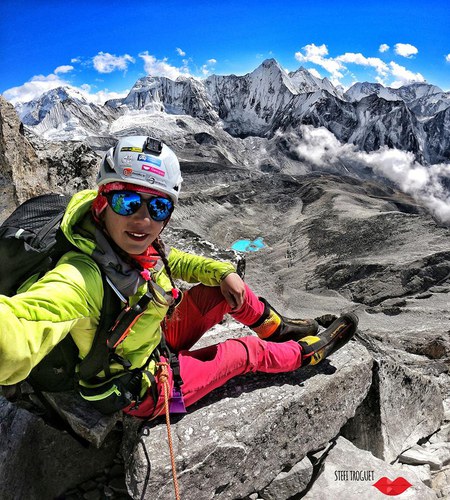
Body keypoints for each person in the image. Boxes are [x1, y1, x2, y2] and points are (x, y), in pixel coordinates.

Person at [0, 135, 358, 419]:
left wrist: (222, 272)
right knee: (242, 352)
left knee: (223, 292)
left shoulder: (118, 240)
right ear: (101, 201)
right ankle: (304, 354)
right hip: (139, 387)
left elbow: (172, 259)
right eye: (127, 201)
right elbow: (21, 329)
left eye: (157, 206)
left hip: (154, 338)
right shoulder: (80, 276)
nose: (143, 220)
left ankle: (275, 328)